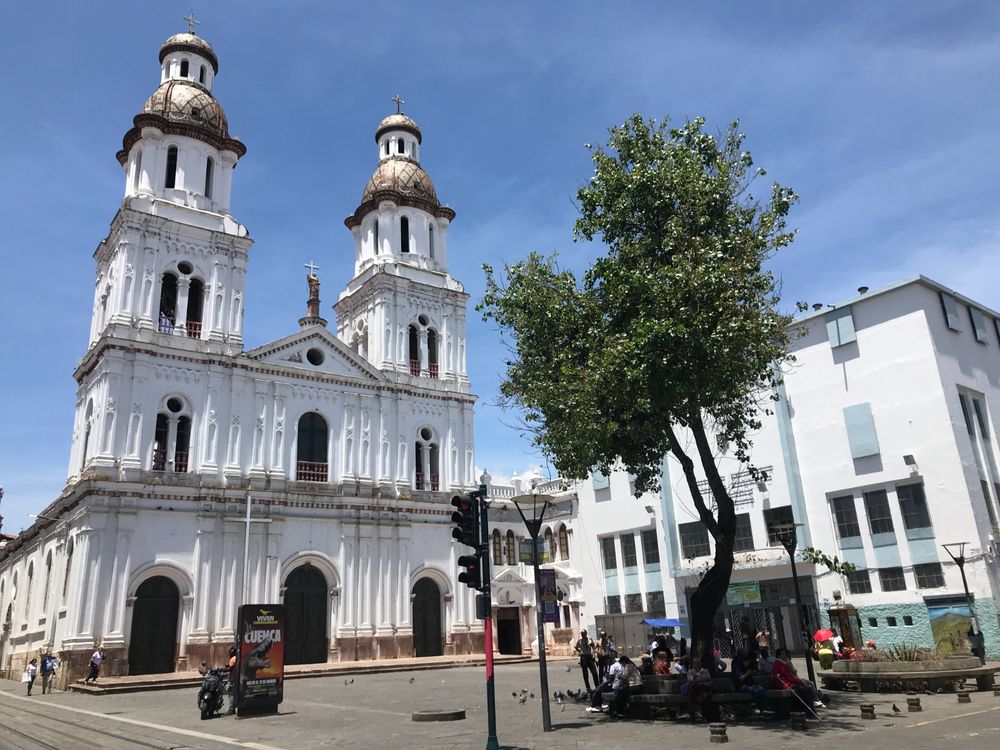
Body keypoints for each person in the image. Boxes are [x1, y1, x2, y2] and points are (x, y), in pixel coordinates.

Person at [586, 647, 622, 713]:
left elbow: (610, 679)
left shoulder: (613, 666)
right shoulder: (617, 664)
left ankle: (597, 706)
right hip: (617, 684)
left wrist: (606, 676)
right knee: (600, 687)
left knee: (599, 689)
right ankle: (596, 705)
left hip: (615, 685)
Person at [226, 645, 239, 714]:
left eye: (229, 651)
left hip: (232, 679)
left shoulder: (232, 659)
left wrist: (226, 669)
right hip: (237, 678)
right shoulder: (238, 658)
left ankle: (231, 708)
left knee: (231, 693)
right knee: (235, 693)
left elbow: (230, 669)